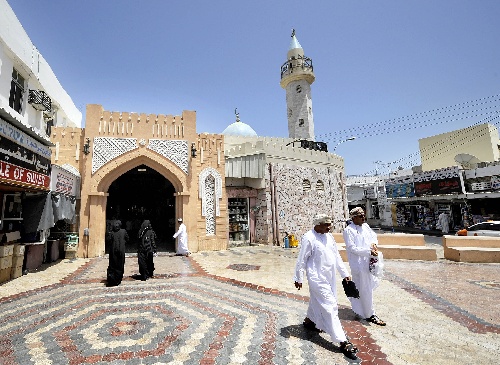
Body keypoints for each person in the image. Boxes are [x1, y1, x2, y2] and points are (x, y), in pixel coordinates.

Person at [294, 214, 359, 361]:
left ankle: (309, 321)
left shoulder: (329, 237)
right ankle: (343, 341)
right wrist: (298, 277)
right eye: (326, 225)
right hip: (316, 278)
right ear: (317, 225)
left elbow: (336, 256)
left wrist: (344, 274)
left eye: (330, 225)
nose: (329, 227)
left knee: (318, 301)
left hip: (330, 277)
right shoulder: (309, 237)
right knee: (330, 306)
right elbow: (302, 259)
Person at [343, 207, 386, 326]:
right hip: (358, 264)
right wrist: (368, 251)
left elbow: (373, 237)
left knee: (365, 289)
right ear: (354, 217)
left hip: (368, 262)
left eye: (363, 215)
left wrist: (374, 245)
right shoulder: (349, 230)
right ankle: (370, 314)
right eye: (360, 216)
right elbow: (352, 248)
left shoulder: (366, 227)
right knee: (363, 289)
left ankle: (361, 311)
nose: (363, 217)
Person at [106, 220, 129, 286]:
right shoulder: (123, 231)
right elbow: (127, 239)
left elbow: (108, 240)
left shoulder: (112, 233)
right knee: (120, 265)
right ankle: (118, 279)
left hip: (113, 251)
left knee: (113, 265)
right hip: (121, 251)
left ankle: (113, 279)